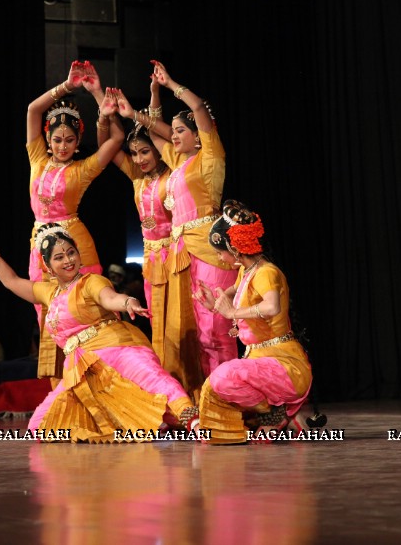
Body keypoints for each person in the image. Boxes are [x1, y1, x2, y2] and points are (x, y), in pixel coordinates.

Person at [0, 211, 198, 441]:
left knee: (153, 380)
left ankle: (195, 423)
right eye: (59, 257)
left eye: (71, 253)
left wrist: (128, 302)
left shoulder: (90, 282)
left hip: (116, 350)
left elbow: (110, 298)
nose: (68, 260)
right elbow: (10, 281)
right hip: (82, 372)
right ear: (49, 266)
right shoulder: (49, 292)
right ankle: (144, 426)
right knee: (40, 427)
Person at [116, 61, 236, 388]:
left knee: (216, 329)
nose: (174, 134)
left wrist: (170, 84)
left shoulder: (210, 156)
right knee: (195, 329)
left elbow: (196, 107)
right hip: (182, 254)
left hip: (209, 249)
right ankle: (205, 396)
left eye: (181, 130)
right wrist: (140, 107)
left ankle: (231, 398)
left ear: (199, 136)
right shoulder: (179, 161)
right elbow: (155, 131)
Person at [26, 61, 124, 379]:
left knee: (83, 310)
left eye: (69, 140)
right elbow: (32, 110)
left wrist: (98, 96)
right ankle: (60, 389)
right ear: (47, 139)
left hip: (73, 245)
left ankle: (100, 379)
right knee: (47, 313)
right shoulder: (37, 157)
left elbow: (115, 140)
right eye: (57, 140)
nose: (63, 146)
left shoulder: (81, 171)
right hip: (39, 246)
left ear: (77, 140)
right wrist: (67, 86)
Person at [108, 83, 206, 395]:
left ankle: (192, 390)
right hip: (151, 262)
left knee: (182, 326)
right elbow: (110, 147)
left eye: (144, 151)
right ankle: (168, 395)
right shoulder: (138, 179)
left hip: (177, 256)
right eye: (134, 154)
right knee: (159, 329)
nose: (138, 159)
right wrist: (103, 105)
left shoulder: (174, 174)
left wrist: (152, 97)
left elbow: (157, 129)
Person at [193, 200, 312, 444]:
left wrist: (232, 313)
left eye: (219, 251)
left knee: (223, 378)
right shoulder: (246, 270)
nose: (218, 257)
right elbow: (233, 293)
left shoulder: (266, 272)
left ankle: (274, 414)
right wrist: (214, 303)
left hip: (283, 365)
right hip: (260, 362)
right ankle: (281, 414)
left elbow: (271, 307)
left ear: (234, 248)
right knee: (222, 391)